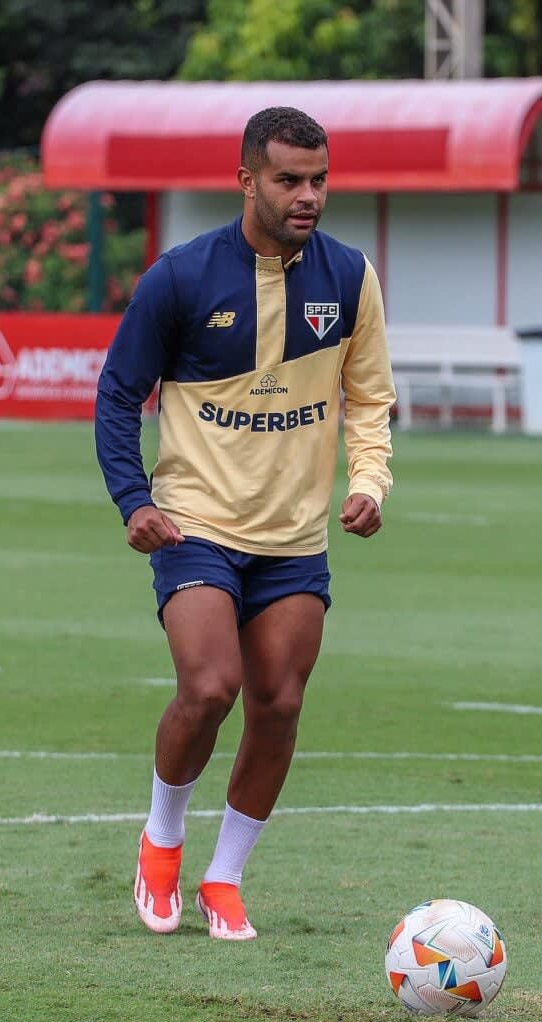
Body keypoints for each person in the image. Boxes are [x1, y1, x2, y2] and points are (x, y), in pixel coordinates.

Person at [95, 106, 395, 941]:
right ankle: (161, 841)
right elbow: (119, 394)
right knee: (208, 686)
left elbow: (369, 397)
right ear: (246, 182)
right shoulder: (181, 278)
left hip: (295, 539)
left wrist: (369, 479)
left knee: (279, 703)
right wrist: (136, 501)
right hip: (196, 526)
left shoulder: (349, 278)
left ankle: (223, 878)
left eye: (319, 180)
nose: (308, 196)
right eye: (289, 180)